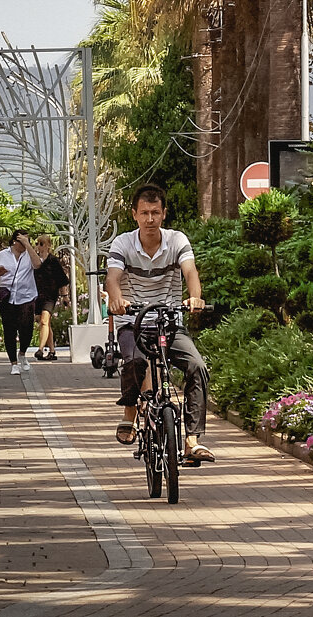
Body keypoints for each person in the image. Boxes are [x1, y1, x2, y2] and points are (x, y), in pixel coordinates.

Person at [105, 183, 215, 463]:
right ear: (134, 215)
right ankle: (130, 410)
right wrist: (116, 300)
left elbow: (190, 272)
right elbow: (113, 278)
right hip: (134, 322)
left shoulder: (177, 241)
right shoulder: (123, 244)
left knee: (197, 367)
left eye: (155, 212)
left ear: (164, 214)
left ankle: (191, 441)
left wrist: (195, 298)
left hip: (168, 323)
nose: (150, 219)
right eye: (144, 213)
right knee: (134, 362)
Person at [0, 229, 41, 375]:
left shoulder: (29, 254)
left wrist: (28, 245)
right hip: (7, 297)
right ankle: (13, 363)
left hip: (26, 296)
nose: (26, 243)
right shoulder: (3, 255)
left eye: (28, 240)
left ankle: (23, 353)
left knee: (27, 329)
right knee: (9, 330)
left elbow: (38, 265)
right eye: (23, 241)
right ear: (15, 241)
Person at [32, 234, 69, 361]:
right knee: (43, 322)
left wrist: (65, 296)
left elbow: (62, 279)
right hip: (38, 295)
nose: (39, 247)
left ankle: (40, 349)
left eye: (41, 244)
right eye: (37, 243)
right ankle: (52, 351)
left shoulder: (53, 261)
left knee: (44, 321)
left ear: (48, 246)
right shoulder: (35, 261)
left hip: (50, 295)